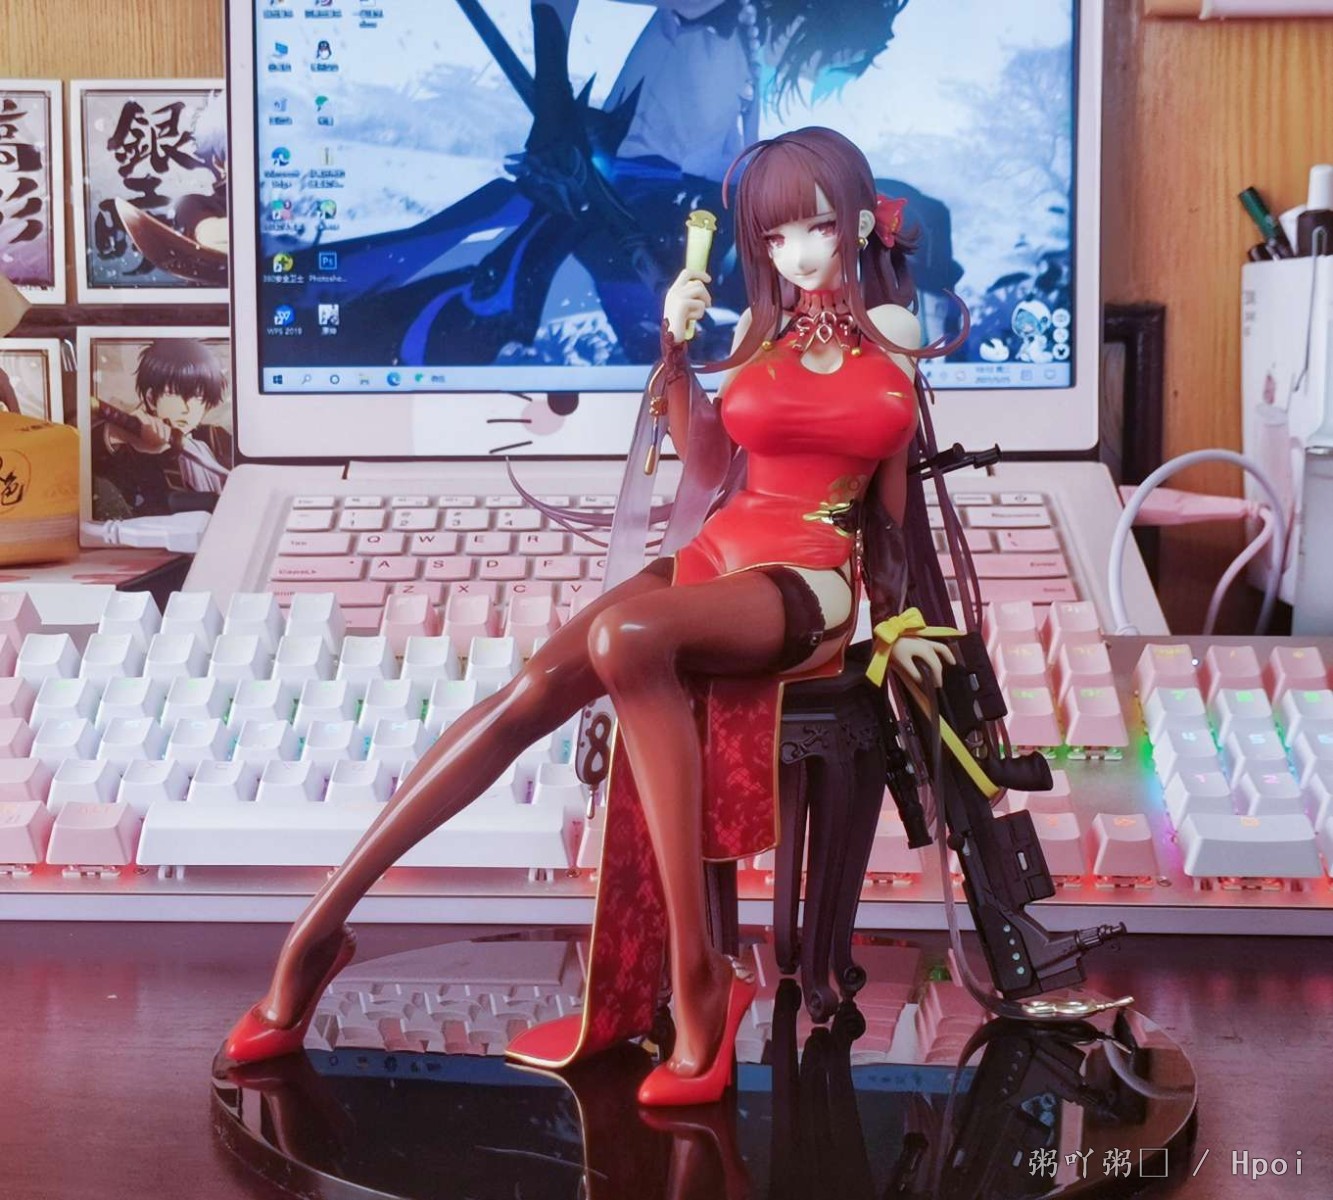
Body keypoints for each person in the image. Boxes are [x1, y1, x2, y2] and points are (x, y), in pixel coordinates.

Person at [218, 127, 973, 1106]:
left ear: (859, 222)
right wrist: (676, 350)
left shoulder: (897, 338)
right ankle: (316, 932)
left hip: (812, 575)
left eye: (818, 226)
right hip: (719, 551)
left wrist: (900, 627)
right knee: (531, 690)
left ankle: (698, 980)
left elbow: (893, 512)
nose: (797, 252)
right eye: (775, 235)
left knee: (626, 641)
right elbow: (710, 461)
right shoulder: (758, 333)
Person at [90, 338, 230, 520]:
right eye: (173, 394)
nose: (186, 409)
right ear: (151, 398)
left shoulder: (216, 438)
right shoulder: (130, 447)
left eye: (197, 398)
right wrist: (119, 434)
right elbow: (86, 454)